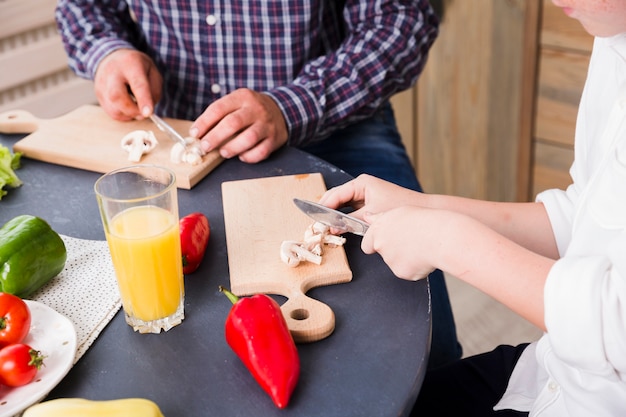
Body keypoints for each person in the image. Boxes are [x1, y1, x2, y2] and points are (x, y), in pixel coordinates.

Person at [54, 0, 461, 367]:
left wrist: (292, 105)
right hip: (177, 136)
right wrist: (107, 52)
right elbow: (82, 7)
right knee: (172, 355)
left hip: (334, 122)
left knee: (429, 346)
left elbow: (401, 21)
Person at [318, 0, 626, 415]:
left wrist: (448, 241)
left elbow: (614, 327)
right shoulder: (612, 34)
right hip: (555, 377)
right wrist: (425, 207)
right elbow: (583, 222)